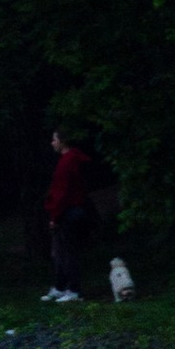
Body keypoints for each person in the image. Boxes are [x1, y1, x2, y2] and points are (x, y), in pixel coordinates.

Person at [45, 123, 115, 301]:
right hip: (75, 210)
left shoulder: (66, 163)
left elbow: (61, 193)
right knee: (61, 250)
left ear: (62, 141)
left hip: (68, 212)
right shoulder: (75, 159)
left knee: (67, 251)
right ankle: (61, 286)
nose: (52, 143)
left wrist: (55, 216)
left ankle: (73, 290)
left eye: (54, 139)